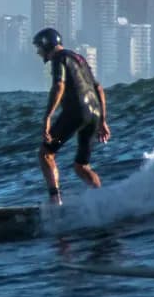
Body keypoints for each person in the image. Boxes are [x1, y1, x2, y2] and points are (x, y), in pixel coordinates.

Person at [33, 27, 111, 204]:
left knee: (46, 154)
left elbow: (59, 86)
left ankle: (55, 201)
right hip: (94, 113)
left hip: (77, 112)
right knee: (81, 166)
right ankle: (102, 200)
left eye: (39, 47)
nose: (38, 52)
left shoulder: (59, 58)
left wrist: (47, 117)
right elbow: (98, 88)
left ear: (47, 44)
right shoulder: (79, 58)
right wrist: (103, 121)